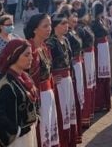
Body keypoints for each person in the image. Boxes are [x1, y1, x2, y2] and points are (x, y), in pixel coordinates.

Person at [0, 39, 38, 147]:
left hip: (27, 134)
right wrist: (17, 131)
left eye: (31, 54)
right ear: (14, 56)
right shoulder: (6, 84)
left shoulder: (24, 78)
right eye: (26, 55)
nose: (31, 58)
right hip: (15, 140)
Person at [25, 13, 59, 146]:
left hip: (48, 93)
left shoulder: (45, 46)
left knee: (49, 127)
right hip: (36, 97)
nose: (49, 28)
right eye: (45, 26)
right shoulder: (28, 48)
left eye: (50, 25)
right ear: (34, 29)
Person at [48, 11, 78, 147]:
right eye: (63, 23)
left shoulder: (65, 39)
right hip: (58, 82)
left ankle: (70, 139)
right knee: (61, 112)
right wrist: (51, 77)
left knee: (69, 109)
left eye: (67, 23)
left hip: (67, 79)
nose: (67, 26)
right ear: (55, 26)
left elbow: (69, 59)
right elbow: (46, 64)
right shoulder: (50, 43)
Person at [66, 10, 85, 141]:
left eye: (76, 17)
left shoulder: (74, 31)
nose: (75, 19)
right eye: (73, 17)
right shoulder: (67, 35)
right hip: (71, 66)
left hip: (77, 63)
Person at [76, 8, 96, 129]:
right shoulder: (79, 29)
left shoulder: (85, 26)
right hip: (84, 57)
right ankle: (83, 117)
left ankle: (89, 113)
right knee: (85, 86)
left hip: (89, 55)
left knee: (90, 84)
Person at [91, 3, 112, 112]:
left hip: (104, 47)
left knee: (105, 75)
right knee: (100, 75)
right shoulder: (94, 22)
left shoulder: (100, 20)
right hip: (99, 48)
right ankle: (99, 102)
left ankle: (104, 101)